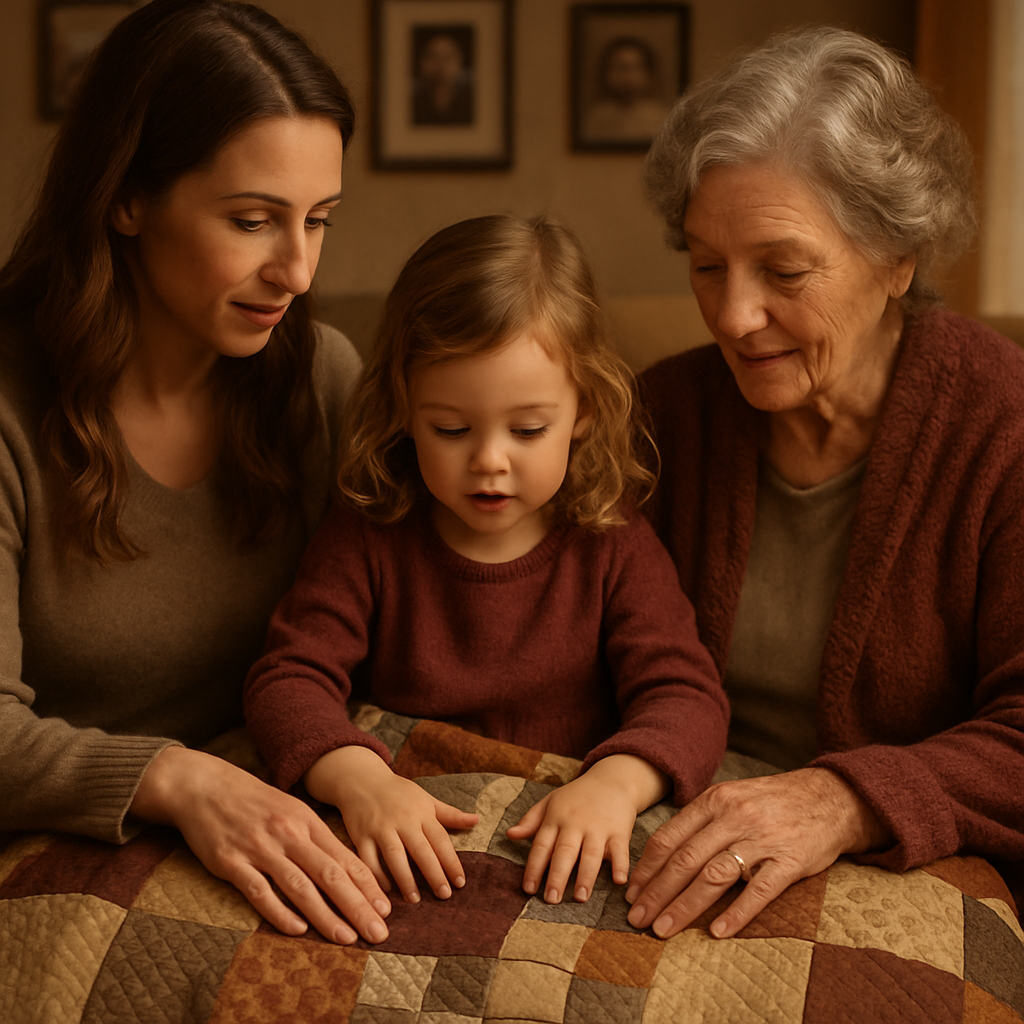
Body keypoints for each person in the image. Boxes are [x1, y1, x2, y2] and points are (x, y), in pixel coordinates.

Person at [0, 0, 394, 947]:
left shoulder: (320, 377)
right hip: (65, 860)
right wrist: (177, 779)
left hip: (278, 819)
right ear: (126, 197)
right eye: (253, 220)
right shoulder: (10, 411)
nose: (296, 270)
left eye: (319, 220)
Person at [624, 25, 1024, 941]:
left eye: (784, 270)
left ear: (899, 258)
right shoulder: (660, 416)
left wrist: (844, 799)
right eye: (705, 265)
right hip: (675, 836)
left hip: (910, 867)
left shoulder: (1003, 429)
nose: (732, 316)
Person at [243, 214, 730, 909]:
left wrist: (614, 786)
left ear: (586, 409)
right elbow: (286, 679)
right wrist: (361, 782)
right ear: (404, 407)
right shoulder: (371, 531)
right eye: (451, 428)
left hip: (550, 840)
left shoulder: (610, 541)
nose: (490, 460)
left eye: (528, 429)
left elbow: (688, 697)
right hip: (413, 829)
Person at [582, 36, 671, 143]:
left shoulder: (662, 116)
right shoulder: (596, 118)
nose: (628, 76)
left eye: (636, 67)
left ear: (649, 73)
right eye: (620, 67)